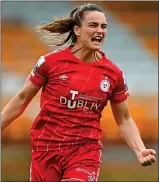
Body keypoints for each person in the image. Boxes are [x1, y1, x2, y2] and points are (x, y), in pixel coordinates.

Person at [1, 3, 156, 182]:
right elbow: (22, 99)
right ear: (77, 30)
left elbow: (124, 119)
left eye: (103, 26)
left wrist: (139, 149)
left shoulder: (113, 74)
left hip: (85, 151)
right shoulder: (51, 63)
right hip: (46, 148)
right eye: (93, 25)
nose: (100, 31)